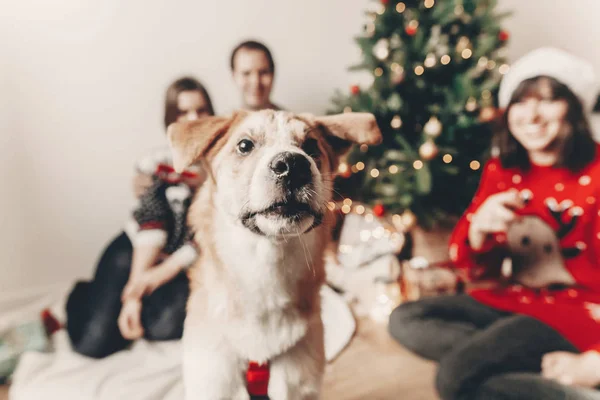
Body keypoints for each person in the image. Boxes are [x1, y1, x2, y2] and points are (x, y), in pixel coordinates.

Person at [389, 47, 600, 399]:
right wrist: (477, 230)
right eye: (521, 102)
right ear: (508, 112)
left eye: (547, 100)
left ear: (573, 109)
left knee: (454, 375)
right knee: (404, 319)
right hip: (508, 299)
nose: (531, 115)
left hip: (573, 313)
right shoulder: (502, 170)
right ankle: (532, 368)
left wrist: (594, 360)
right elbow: (469, 267)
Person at [65, 77, 215, 358]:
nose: (193, 118)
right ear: (171, 118)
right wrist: (135, 292)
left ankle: (125, 303)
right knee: (94, 343)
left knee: (168, 323)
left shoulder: (221, 167)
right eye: (183, 111)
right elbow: (151, 223)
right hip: (135, 252)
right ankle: (83, 294)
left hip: (176, 265)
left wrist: (158, 275)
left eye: (202, 109)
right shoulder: (155, 163)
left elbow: (206, 237)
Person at [230, 40, 283, 111]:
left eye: (263, 72)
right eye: (246, 73)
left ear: (273, 74)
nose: (255, 82)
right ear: (234, 77)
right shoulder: (222, 121)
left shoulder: (294, 121)